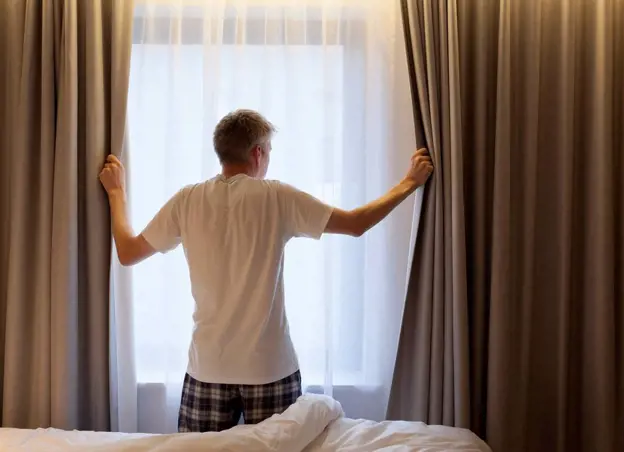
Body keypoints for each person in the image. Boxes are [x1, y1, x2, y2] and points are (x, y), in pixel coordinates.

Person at [99, 109, 433, 433]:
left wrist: (116, 192)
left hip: (208, 368)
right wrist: (409, 182)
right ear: (258, 153)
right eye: (269, 150)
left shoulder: (187, 201)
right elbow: (357, 223)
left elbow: (128, 252)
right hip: (270, 368)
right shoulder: (276, 196)